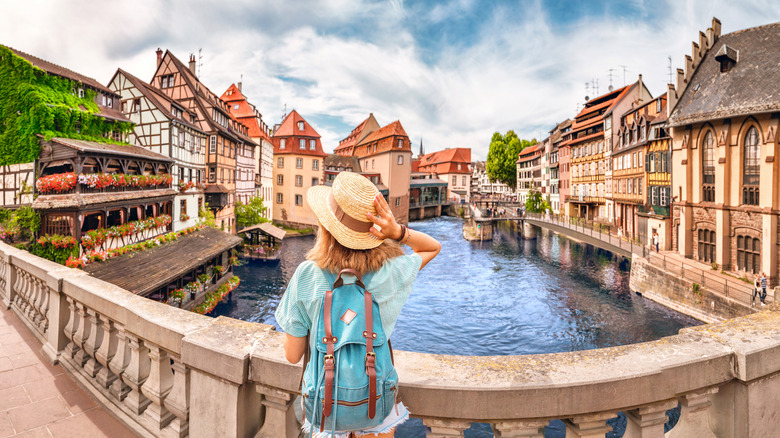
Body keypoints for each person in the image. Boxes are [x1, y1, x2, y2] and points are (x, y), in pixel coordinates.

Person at [276, 171, 441, 438]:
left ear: (326, 226)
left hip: (325, 410)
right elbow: (432, 247)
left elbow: (293, 355)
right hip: (377, 406)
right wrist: (397, 231)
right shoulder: (392, 271)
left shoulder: (307, 275)